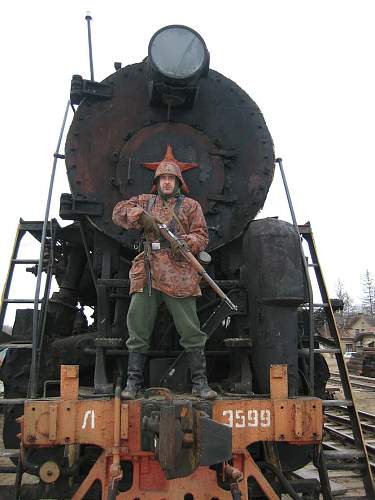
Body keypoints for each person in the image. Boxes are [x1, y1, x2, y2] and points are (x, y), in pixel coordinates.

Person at [112, 146, 217, 400]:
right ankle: (133, 384)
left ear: (179, 182)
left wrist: (185, 242)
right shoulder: (145, 201)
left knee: (191, 331)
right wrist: (142, 217)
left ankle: (200, 384)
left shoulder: (191, 206)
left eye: (171, 179)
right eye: (163, 179)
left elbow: (202, 236)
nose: (167, 183)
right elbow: (119, 211)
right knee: (137, 328)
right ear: (157, 182)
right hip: (147, 271)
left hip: (179, 273)